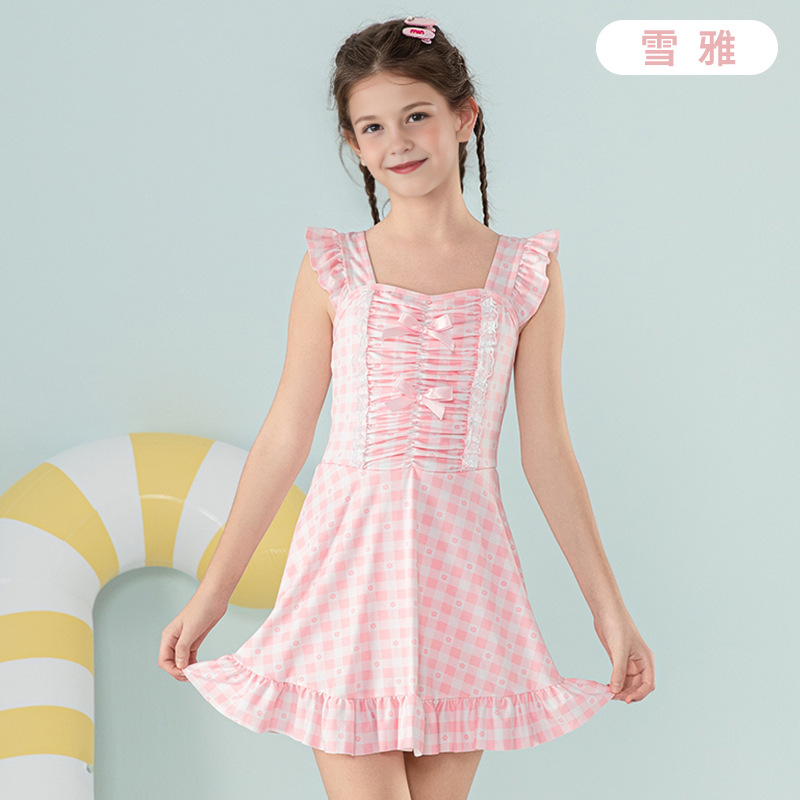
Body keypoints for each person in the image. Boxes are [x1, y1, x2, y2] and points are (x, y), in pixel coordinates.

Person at [158, 15, 655, 800]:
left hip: (465, 574)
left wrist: (609, 612)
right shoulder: (334, 268)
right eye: (373, 126)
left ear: (463, 116)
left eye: (416, 115)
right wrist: (212, 593)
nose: (398, 141)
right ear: (354, 145)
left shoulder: (525, 273)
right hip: (347, 567)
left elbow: (547, 450)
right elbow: (286, 435)